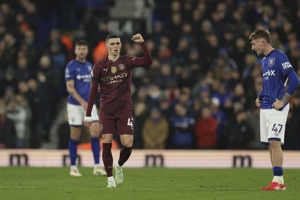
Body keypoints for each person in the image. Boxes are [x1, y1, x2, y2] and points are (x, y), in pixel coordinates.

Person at [84, 33, 153, 188]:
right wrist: (88, 114)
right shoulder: (99, 66)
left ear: (120, 46)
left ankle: (119, 166)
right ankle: (110, 179)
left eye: (118, 44)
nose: (115, 47)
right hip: (107, 110)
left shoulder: (127, 61)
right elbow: (93, 91)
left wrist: (143, 44)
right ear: (107, 46)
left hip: (124, 110)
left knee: (127, 144)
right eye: (113, 44)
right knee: (106, 141)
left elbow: (148, 61)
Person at [249, 28, 300, 190]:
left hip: (277, 108)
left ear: (262, 42)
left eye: (254, 43)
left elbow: (295, 80)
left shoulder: (279, 56)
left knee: (274, 142)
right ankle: (278, 181)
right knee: (270, 144)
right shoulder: (264, 61)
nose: (252, 47)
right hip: (265, 106)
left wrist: (284, 100)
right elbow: (269, 84)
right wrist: (261, 95)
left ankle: (277, 180)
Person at [65, 40, 106, 177]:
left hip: (89, 105)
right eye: (79, 48)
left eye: (84, 48)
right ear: (75, 51)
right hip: (75, 105)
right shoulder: (70, 66)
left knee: (95, 132)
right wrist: (83, 102)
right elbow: (70, 88)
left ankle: (97, 166)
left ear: (87, 51)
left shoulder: (90, 67)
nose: (81, 51)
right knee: (75, 135)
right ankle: (73, 167)